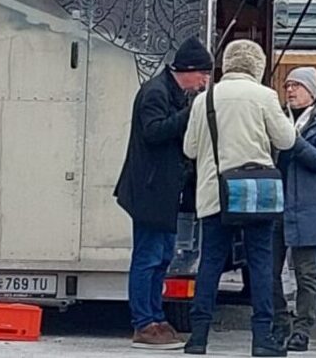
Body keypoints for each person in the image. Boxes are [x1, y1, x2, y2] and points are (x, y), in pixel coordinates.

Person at [182, 40, 297, 357]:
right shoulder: (264, 96)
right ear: (257, 66)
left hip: (214, 193)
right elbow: (287, 140)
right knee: (260, 264)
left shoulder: (205, 99)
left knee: (210, 264)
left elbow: (190, 148)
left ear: (227, 64)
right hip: (255, 195)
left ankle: (198, 338)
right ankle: (262, 339)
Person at [114, 37, 212, 351]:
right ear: (189, 70)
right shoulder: (155, 93)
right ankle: (143, 323)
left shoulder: (172, 92)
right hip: (149, 190)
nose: (205, 82)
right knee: (148, 258)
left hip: (164, 191)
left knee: (163, 259)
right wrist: (189, 113)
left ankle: (156, 317)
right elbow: (153, 132)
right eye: (203, 75)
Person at [272, 67, 316, 351]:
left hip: (309, 206)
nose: (290, 90)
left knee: (306, 274)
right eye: (287, 85)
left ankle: (302, 329)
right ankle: (279, 321)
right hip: (276, 205)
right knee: (268, 270)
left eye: (297, 86)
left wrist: (294, 141)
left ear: (311, 91)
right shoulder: (277, 117)